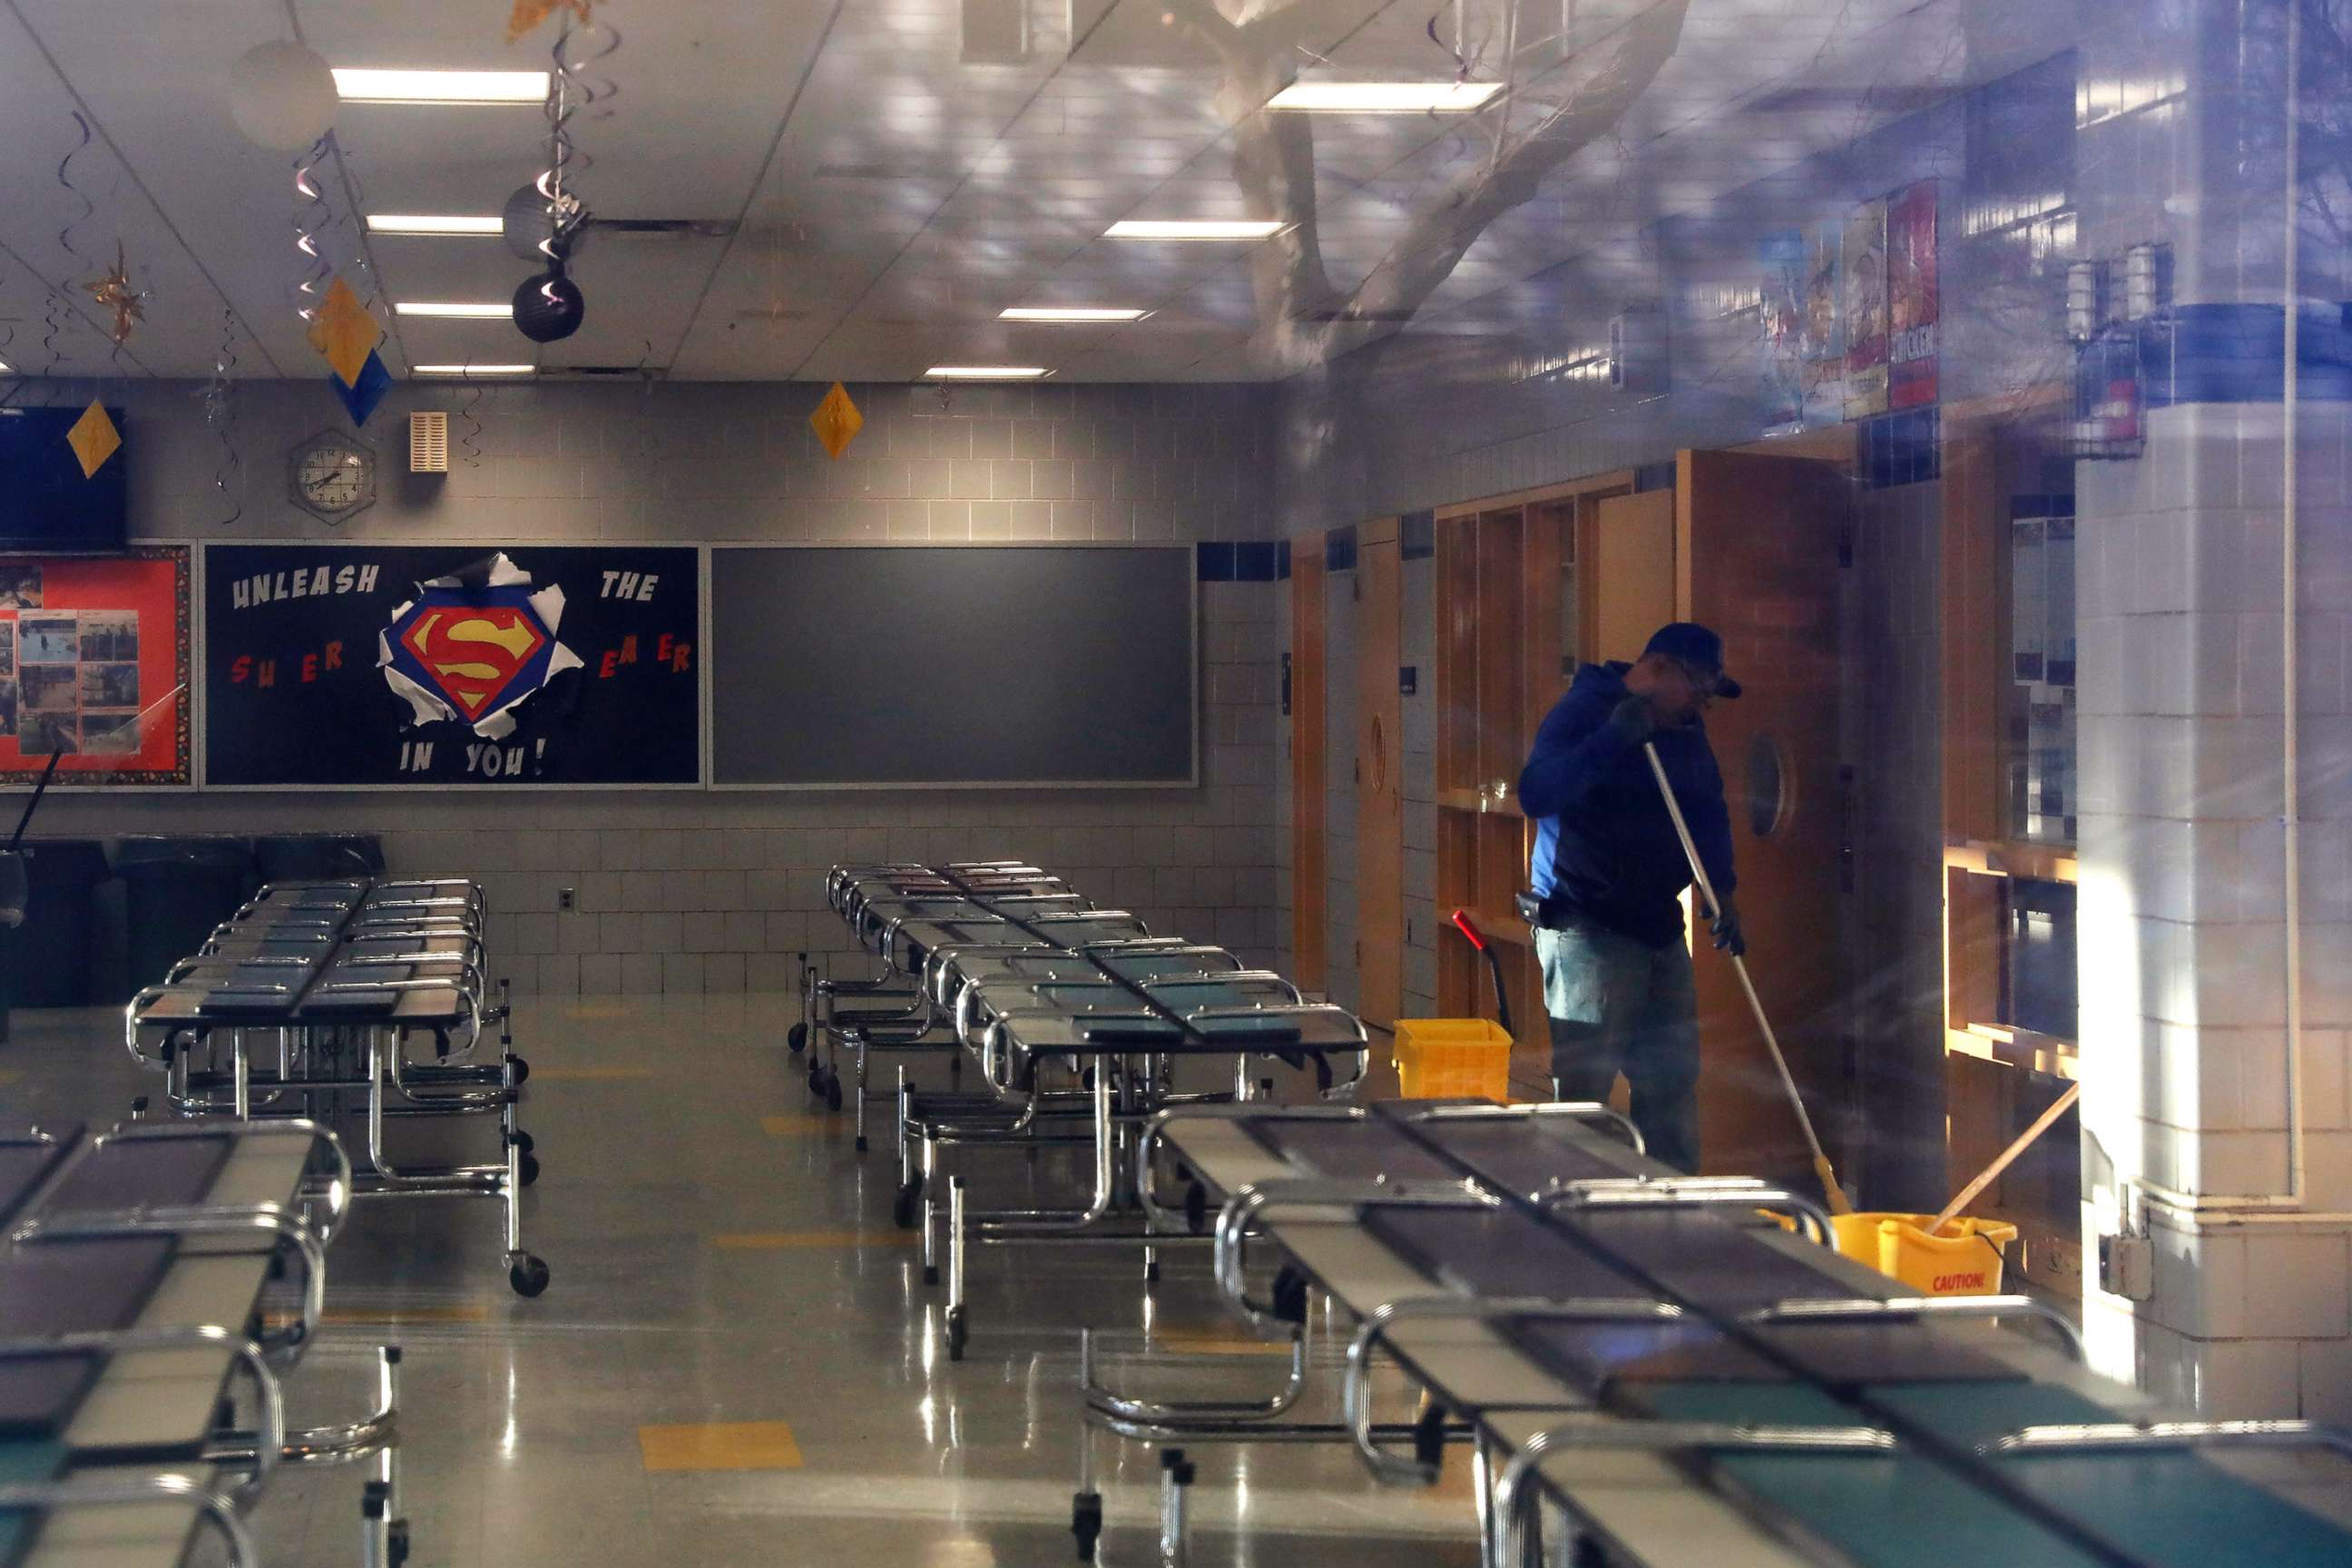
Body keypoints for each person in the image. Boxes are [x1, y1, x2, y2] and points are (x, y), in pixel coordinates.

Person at [1516, 622, 1744, 1172]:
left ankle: (1676, 1213)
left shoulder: (1682, 726)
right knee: (1586, 1093)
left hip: (1659, 927)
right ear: (1659, 670)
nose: (1700, 708)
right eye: (1698, 691)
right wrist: (1612, 739)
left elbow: (1706, 811)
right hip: (1587, 924)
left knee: (1671, 1083)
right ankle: (1576, 1217)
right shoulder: (1587, 708)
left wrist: (1722, 892)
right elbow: (1536, 792)